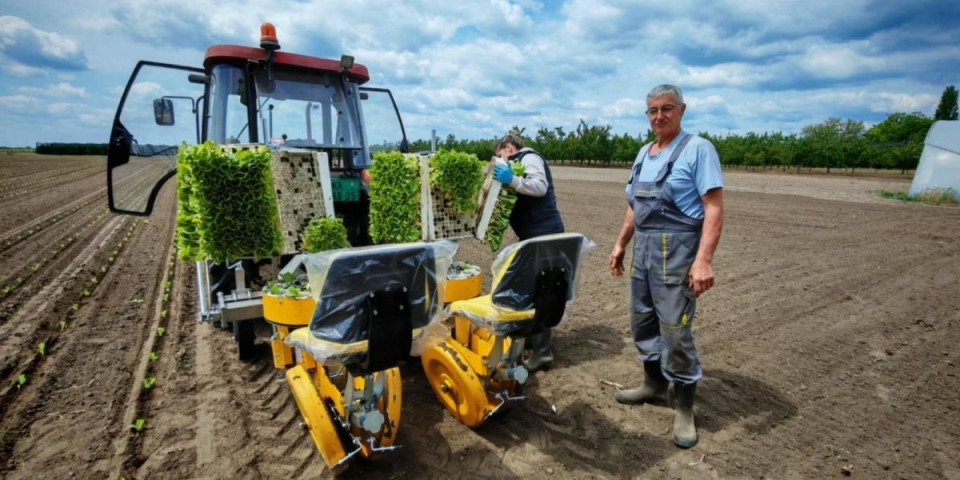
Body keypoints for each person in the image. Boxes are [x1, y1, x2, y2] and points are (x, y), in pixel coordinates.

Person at [608, 84, 724, 448]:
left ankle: (685, 406)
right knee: (641, 319)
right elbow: (634, 205)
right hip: (644, 249)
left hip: (677, 252)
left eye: (667, 109)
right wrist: (620, 243)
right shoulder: (644, 152)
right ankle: (654, 385)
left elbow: (714, 208)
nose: (659, 116)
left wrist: (703, 260)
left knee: (675, 329)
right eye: (653, 110)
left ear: (682, 110)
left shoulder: (698, 149)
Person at [493, 131, 565, 372]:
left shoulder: (528, 157)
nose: (500, 159)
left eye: (500, 154)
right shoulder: (518, 163)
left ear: (508, 147)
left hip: (544, 235)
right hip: (534, 236)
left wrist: (511, 178)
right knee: (533, 288)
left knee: (543, 291)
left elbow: (539, 187)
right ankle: (534, 341)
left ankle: (542, 353)